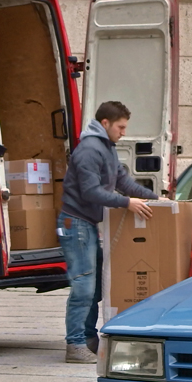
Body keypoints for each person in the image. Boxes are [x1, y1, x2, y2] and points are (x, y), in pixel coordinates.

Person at [58, 101, 157, 363]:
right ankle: (75, 344)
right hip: (75, 223)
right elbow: (91, 191)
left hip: (86, 224)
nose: (124, 132)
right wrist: (127, 203)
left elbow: (123, 182)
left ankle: (87, 338)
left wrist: (158, 200)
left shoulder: (107, 148)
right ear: (105, 124)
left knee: (94, 287)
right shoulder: (90, 150)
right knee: (83, 286)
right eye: (120, 127)